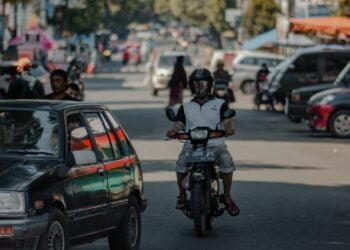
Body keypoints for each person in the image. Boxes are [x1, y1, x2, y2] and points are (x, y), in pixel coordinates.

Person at [166, 68, 239, 216]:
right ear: (191, 85)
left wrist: (228, 128)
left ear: (209, 84)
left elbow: (227, 120)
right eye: (196, 83)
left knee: (226, 160)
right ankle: (181, 195)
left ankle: (226, 196)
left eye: (202, 83)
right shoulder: (185, 107)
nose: (199, 86)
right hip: (191, 145)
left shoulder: (220, 104)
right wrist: (173, 131)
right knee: (180, 164)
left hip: (215, 144)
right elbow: (179, 124)